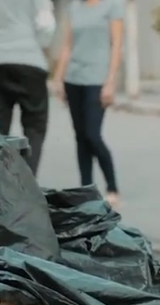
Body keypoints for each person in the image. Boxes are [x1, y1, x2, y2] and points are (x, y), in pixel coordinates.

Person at [52, 0, 125, 210]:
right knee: (80, 137)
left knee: (93, 135)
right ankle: (86, 189)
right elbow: (68, 46)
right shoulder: (74, 7)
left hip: (98, 79)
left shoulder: (113, 6)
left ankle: (112, 187)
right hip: (74, 78)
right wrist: (58, 77)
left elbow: (116, 45)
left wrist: (111, 81)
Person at [0, 0, 56, 176]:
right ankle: (26, 185)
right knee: (35, 126)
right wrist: (40, 46)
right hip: (28, 59)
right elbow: (46, 23)